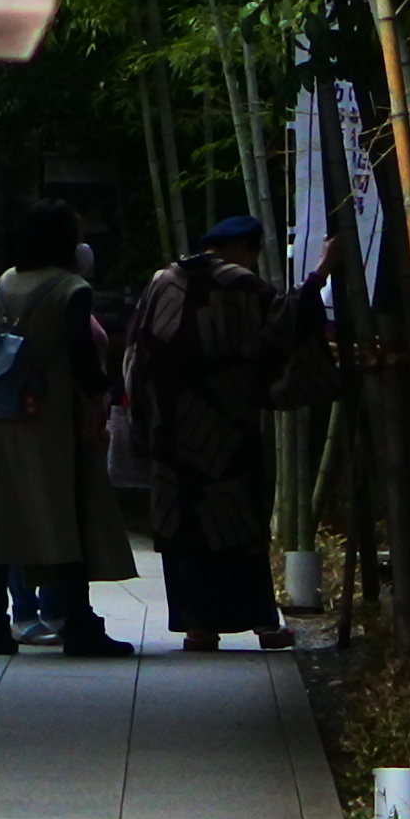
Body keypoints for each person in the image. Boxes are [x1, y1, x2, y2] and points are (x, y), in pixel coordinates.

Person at [131, 211, 317, 652]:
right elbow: (284, 325)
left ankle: (198, 626)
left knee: (183, 531)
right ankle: (262, 623)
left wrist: (143, 420)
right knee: (238, 525)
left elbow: (137, 354)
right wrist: (320, 276)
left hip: (170, 435)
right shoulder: (241, 285)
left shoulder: (163, 282)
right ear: (243, 249)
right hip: (226, 434)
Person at [0, 202, 136, 656]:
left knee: (2, 516)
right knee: (65, 512)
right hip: (53, 416)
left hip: (5, 415)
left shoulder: (3, 284)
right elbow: (82, 352)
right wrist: (101, 395)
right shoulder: (71, 288)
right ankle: (79, 622)